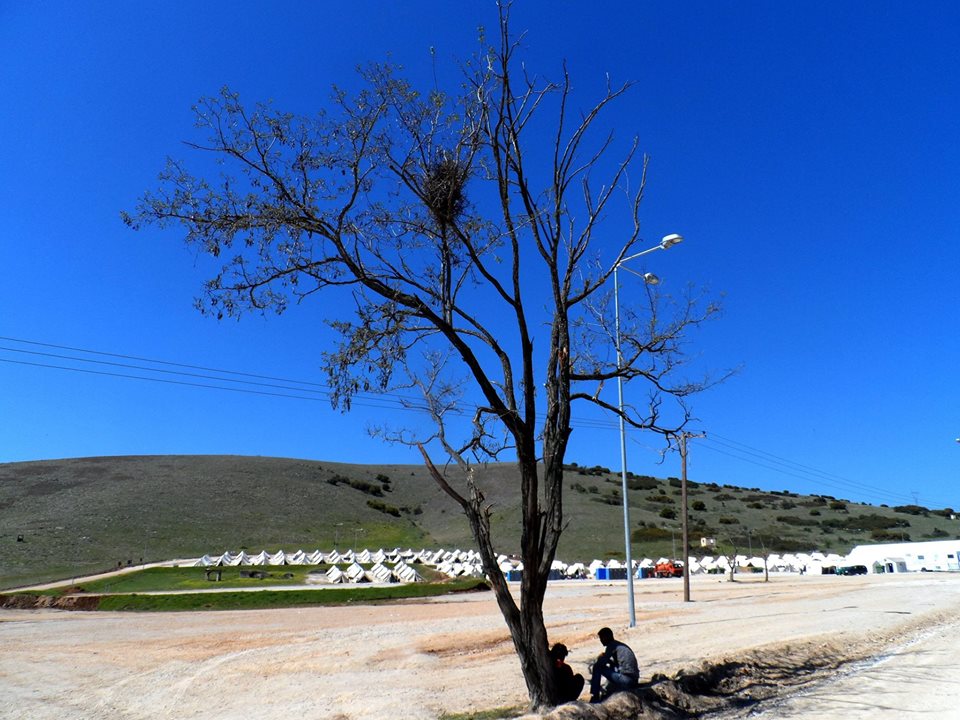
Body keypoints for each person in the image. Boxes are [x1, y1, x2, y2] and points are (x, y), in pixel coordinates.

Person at [589, 627, 639, 703]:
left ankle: (595, 696)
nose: (601, 641)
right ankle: (607, 690)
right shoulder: (617, 645)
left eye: (602, 638)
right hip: (633, 679)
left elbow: (601, 663)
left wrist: (601, 658)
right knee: (608, 667)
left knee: (597, 667)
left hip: (628, 680)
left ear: (607, 637)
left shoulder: (612, 646)